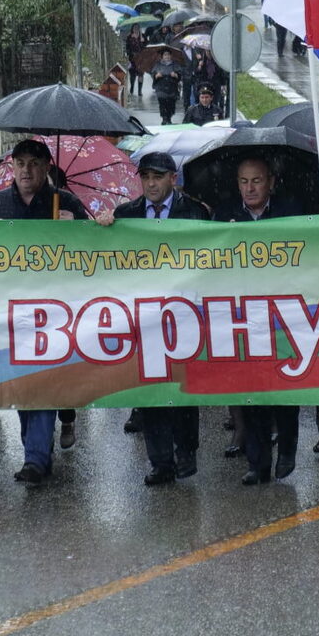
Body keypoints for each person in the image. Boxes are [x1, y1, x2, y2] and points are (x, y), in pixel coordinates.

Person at [0, 139, 92, 484]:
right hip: (12, 312)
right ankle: (36, 449)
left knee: (43, 380)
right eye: (20, 163)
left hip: (55, 312)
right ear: (12, 167)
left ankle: (36, 458)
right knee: (25, 384)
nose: (26, 171)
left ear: (46, 167)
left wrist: (75, 231)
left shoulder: (66, 202)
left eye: (34, 164)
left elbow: (89, 255)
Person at [93, 153, 211, 485]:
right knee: (150, 390)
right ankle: (160, 462)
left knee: (183, 389)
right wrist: (103, 228)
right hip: (143, 318)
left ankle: (186, 450)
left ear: (173, 179)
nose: (151, 183)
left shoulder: (195, 212)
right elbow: (104, 256)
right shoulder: (126, 214)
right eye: (145, 176)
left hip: (184, 315)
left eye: (158, 176)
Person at [216, 155, 306, 483]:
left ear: (270, 181)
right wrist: (222, 239)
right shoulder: (225, 214)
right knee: (249, 389)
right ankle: (257, 462)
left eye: (256, 180)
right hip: (242, 316)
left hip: (284, 315)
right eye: (244, 181)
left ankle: (287, 450)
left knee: (283, 390)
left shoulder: (291, 210)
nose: (250, 188)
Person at [151, 52, 185, 124]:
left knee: (171, 103)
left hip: (172, 87)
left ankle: (169, 117)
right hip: (161, 87)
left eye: (168, 55)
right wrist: (156, 76)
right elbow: (153, 74)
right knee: (162, 102)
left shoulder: (175, 64)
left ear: (171, 56)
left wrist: (175, 75)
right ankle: (164, 118)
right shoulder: (158, 65)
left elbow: (180, 76)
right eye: (165, 55)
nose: (167, 56)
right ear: (162, 56)